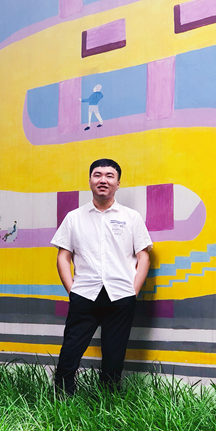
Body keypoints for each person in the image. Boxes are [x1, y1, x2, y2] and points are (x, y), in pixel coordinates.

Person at [51, 158, 152, 394]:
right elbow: (63, 257)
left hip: (121, 296)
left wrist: (133, 292)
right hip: (84, 294)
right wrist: (72, 290)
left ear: (118, 183)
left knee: (114, 355)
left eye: (109, 176)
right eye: (97, 175)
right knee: (70, 351)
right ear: (90, 181)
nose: (103, 180)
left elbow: (144, 257)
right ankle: (61, 398)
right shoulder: (74, 217)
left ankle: (108, 402)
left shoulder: (131, 217)